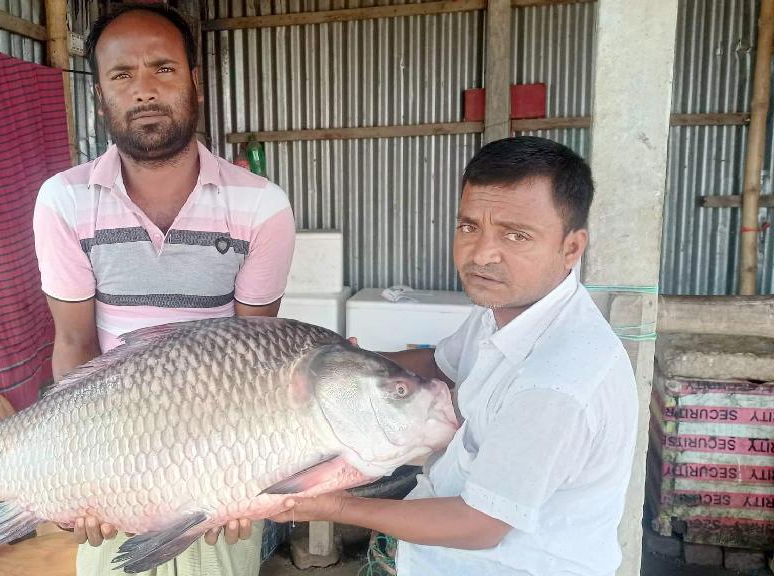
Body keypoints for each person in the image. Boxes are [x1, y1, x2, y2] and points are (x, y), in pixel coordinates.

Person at [271, 136, 638, 576]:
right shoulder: (503, 312)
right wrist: (332, 365)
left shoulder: (556, 383)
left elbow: (478, 524)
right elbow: (438, 365)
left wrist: (336, 505)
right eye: (468, 227)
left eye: (515, 235)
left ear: (572, 248)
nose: (481, 253)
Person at [32, 4, 295, 575]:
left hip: (219, 459)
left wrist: (243, 475)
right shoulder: (64, 200)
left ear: (194, 80)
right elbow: (75, 345)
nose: (144, 90)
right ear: (100, 94)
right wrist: (77, 469)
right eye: (121, 75)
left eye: (163, 68)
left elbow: (257, 358)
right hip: (110, 449)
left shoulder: (262, 205)